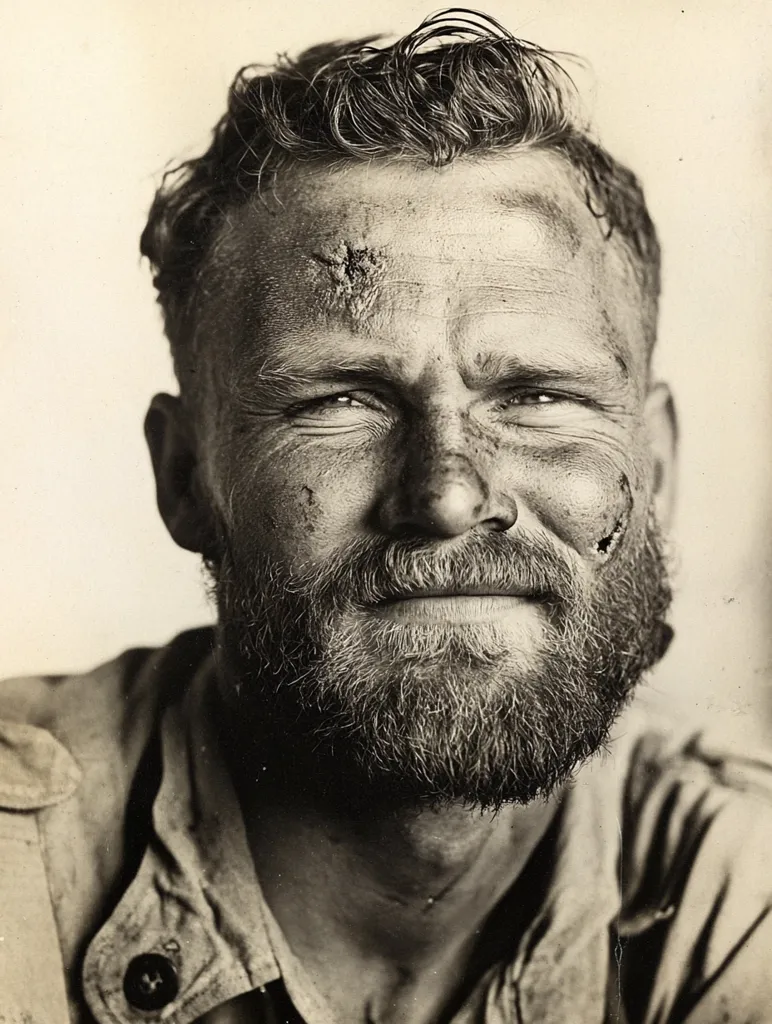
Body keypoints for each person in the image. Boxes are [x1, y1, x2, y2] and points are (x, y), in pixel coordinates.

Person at [1, 8, 770, 1023]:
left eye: (537, 395)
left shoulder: (738, 885)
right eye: (340, 401)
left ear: (655, 462)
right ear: (185, 475)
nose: (448, 496)